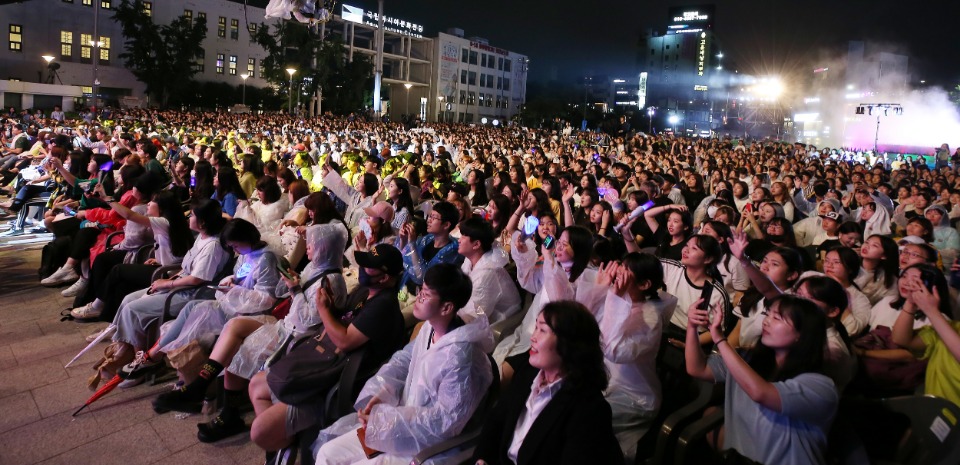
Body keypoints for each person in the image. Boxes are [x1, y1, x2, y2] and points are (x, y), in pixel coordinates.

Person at [313, 264, 495, 464]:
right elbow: (402, 361)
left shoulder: (460, 359)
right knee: (326, 454)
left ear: (446, 307)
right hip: (400, 420)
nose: (418, 298)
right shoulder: (430, 328)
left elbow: (445, 423)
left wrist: (391, 419)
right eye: (420, 290)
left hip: (426, 444)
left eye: (425, 295)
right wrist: (382, 393)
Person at [247, 243, 407, 453]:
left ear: (384, 278)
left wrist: (323, 310)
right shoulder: (366, 292)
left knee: (259, 431)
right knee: (256, 384)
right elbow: (345, 321)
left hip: (331, 384)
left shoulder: (383, 305)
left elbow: (345, 341)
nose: (361, 269)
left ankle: (286, 442)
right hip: (324, 366)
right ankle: (288, 439)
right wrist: (330, 307)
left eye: (368, 267)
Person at [685, 294, 838, 465]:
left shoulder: (820, 386)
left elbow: (760, 393)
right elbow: (697, 368)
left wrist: (720, 339)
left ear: (802, 335)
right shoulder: (749, 360)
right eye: (767, 314)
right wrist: (691, 327)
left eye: (777, 317)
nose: (766, 321)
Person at [473, 301, 624, 465]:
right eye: (536, 327)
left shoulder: (589, 410)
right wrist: (482, 458)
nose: (533, 337)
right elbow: (496, 421)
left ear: (569, 344)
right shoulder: (528, 374)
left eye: (542, 330)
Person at [106, 199, 232, 385]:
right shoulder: (202, 237)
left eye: (193, 215)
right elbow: (187, 268)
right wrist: (167, 280)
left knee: (132, 309)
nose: (189, 217)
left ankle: (142, 364)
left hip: (192, 293)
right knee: (128, 299)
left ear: (203, 222)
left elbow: (198, 278)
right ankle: (129, 351)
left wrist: (167, 284)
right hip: (180, 285)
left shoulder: (213, 246)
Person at [578, 254, 678, 461]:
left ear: (644, 284)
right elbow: (581, 322)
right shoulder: (619, 298)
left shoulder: (649, 318)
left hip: (634, 395)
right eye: (621, 266)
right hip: (604, 381)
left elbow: (613, 351)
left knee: (585, 426)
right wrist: (599, 289)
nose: (619, 272)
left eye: (626, 270)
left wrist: (614, 297)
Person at [493, 226, 595, 366]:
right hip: (531, 331)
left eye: (564, 244)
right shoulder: (553, 266)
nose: (558, 247)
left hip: (555, 345)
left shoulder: (582, 280)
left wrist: (548, 256)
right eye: (558, 242)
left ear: (579, 250)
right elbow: (529, 281)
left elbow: (559, 306)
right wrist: (524, 253)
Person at [456, 217, 522, 324]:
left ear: (476, 244)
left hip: (500, 323)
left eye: (464, 236)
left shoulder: (487, 272)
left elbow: (477, 315)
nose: (459, 240)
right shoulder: (470, 260)